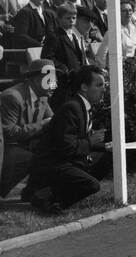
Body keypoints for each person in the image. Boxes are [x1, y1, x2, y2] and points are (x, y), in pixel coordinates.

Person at [25, 64, 111, 214]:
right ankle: (49, 199)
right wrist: (92, 141)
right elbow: (67, 147)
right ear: (84, 87)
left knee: (110, 157)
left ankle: (55, 192)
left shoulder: (83, 106)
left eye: (105, 85)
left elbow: (78, 140)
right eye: (99, 85)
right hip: (53, 163)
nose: (104, 89)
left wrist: (104, 146)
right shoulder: (72, 108)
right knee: (92, 185)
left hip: (67, 159)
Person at [0, 58, 55, 200]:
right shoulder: (12, 97)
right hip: (8, 149)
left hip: (25, 144)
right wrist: (41, 125)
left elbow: (54, 121)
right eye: (50, 79)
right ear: (37, 79)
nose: (54, 84)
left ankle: (34, 192)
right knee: (37, 157)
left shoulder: (42, 95)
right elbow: (9, 133)